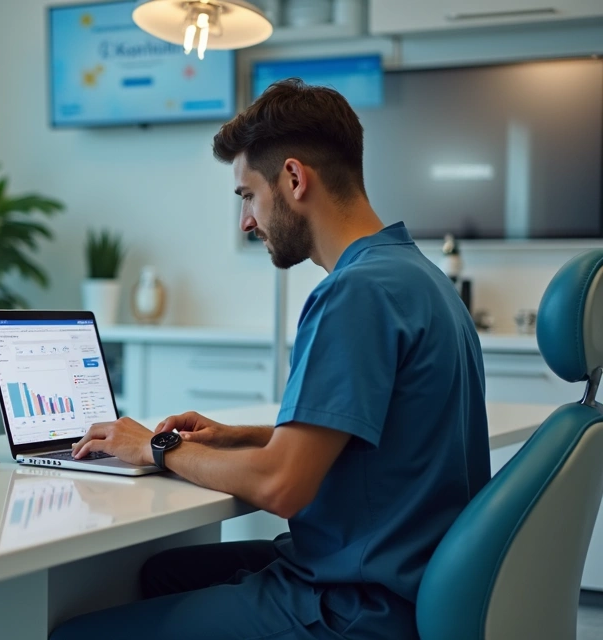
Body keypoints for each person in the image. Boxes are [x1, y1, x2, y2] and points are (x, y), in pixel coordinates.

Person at [50, 79, 489, 639]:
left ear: (294, 177)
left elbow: (284, 486)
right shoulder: (418, 278)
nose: (246, 222)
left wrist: (156, 447)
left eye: (247, 197)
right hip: (399, 577)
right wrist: (239, 436)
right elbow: (370, 436)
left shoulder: (356, 295)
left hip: (354, 607)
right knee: (165, 572)